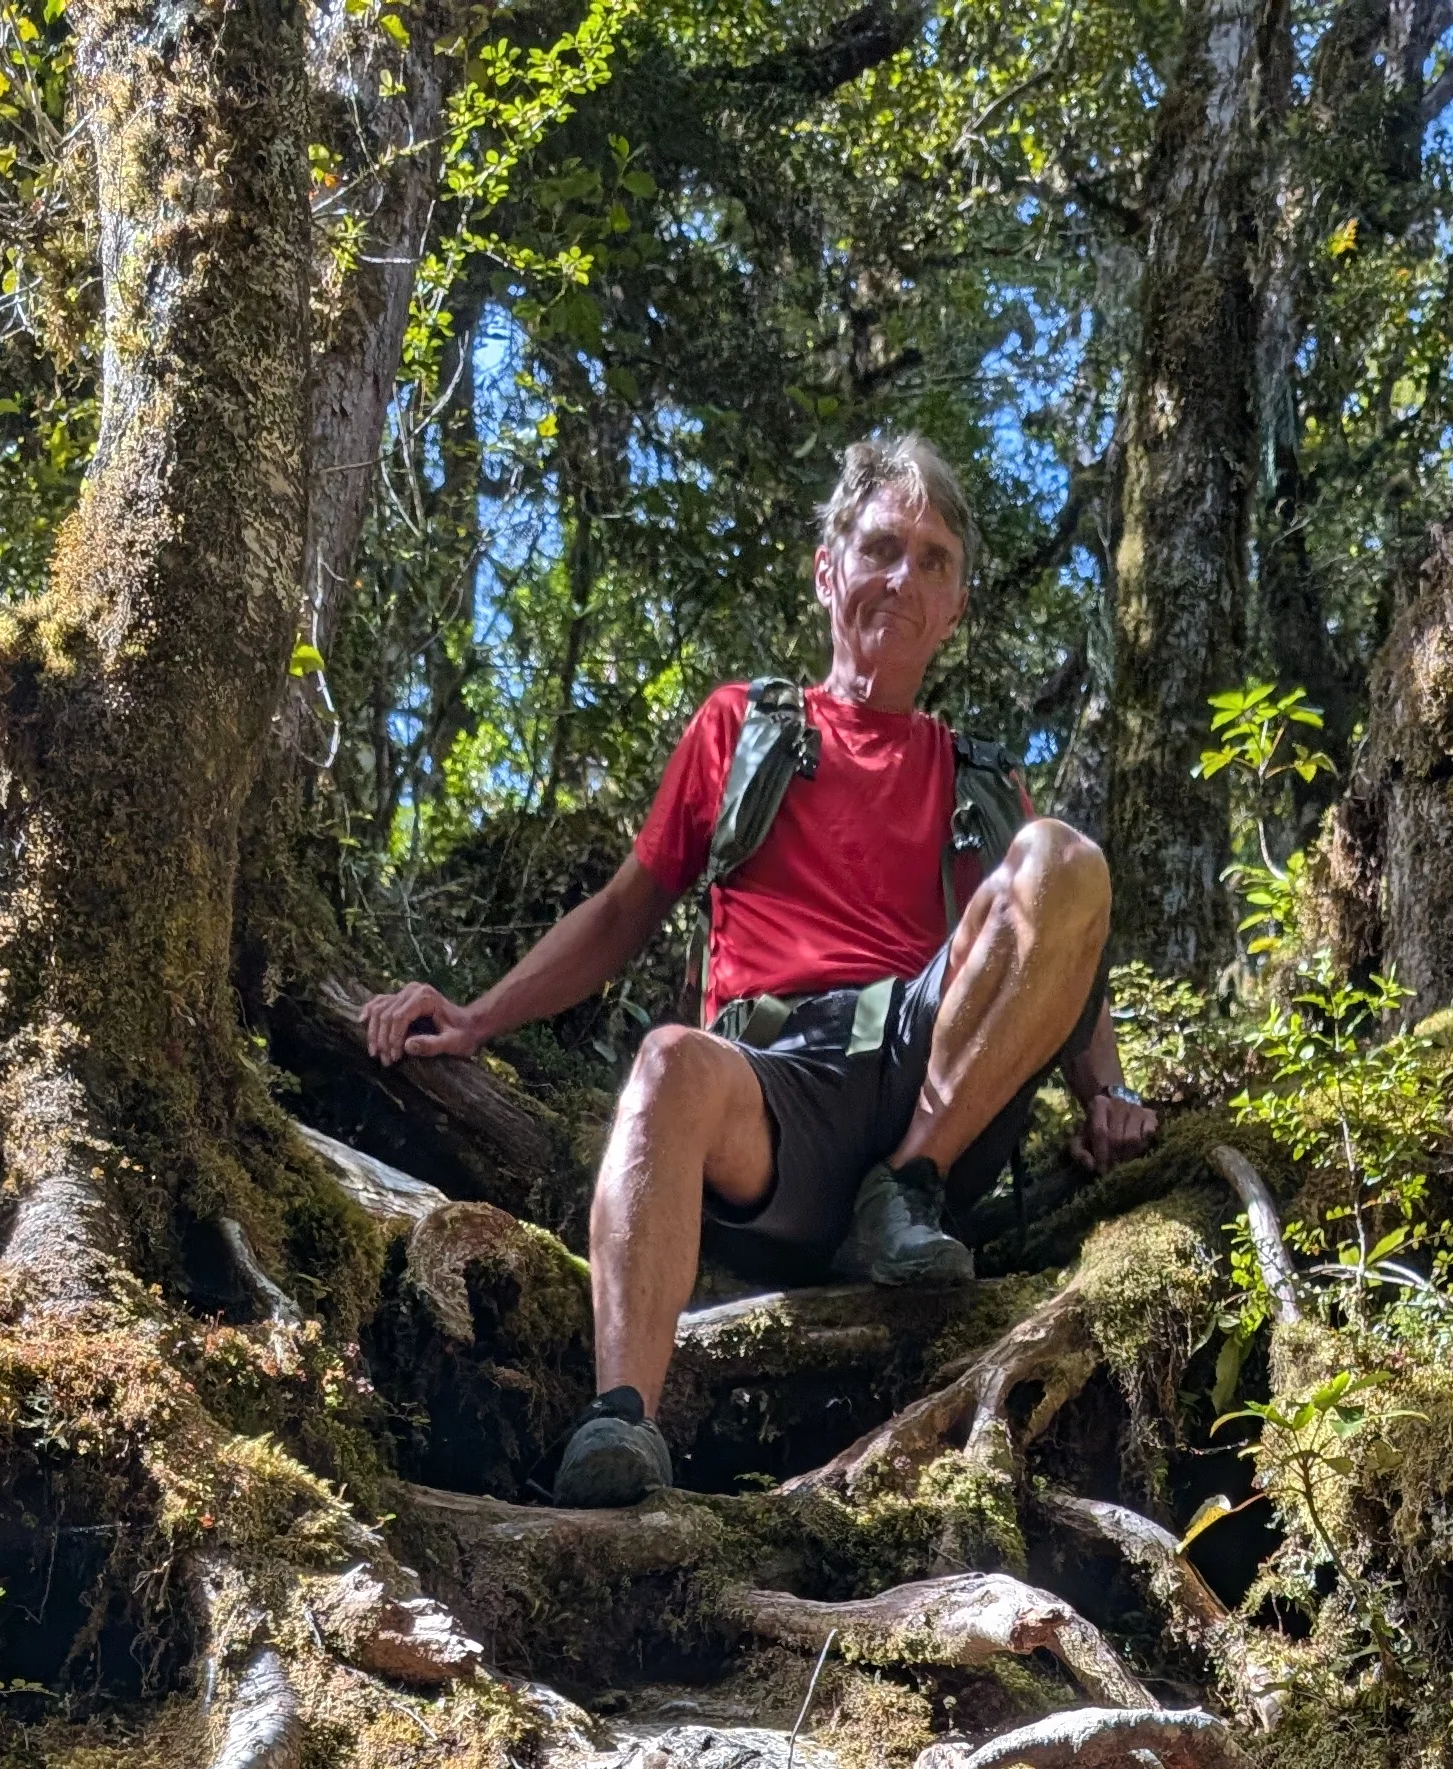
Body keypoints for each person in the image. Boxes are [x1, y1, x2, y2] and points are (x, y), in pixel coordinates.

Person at [361, 433, 1157, 1506]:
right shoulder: (744, 729)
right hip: (779, 1094)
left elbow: (1060, 953)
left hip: (931, 1092)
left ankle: (904, 1191)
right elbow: (624, 909)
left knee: (1065, 855)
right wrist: (474, 1019)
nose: (903, 579)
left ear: (957, 605)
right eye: (881, 548)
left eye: (932, 561)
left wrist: (1106, 1093)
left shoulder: (977, 778)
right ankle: (620, 1421)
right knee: (667, 1063)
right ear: (829, 571)